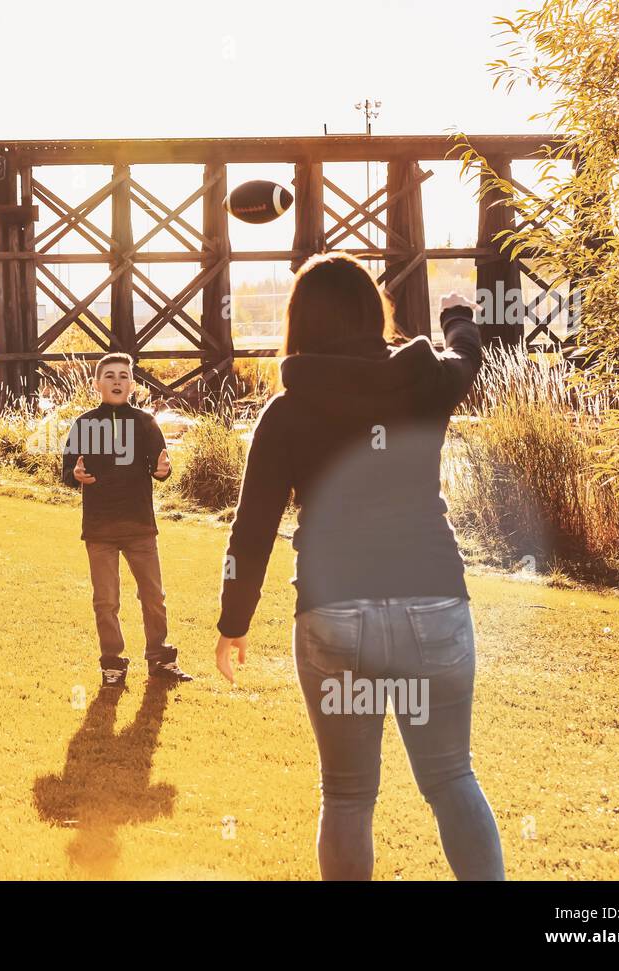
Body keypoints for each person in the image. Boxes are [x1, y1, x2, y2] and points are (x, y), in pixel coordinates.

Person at [213, 252, 505, 880]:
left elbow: (253, 530)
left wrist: (233, 621)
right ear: (375, 314)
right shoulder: (424, 382)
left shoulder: (288, 411)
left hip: (333, 612)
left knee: (347, 795)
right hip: (433, 603)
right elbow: (466, 357)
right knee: (452, 778)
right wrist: (457, 316)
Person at [61, 352, 193, 690]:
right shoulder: (84, 424)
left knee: (153, 597)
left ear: (132, 384)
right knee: (106, 601)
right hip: (100, 530)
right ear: (96, 384)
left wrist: (164, 471)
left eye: (123, 376)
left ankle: (161, 659)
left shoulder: (146, 423)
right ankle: (113, 665)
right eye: (110, 376)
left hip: (140, 528)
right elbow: (66, 472)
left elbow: (160, 467)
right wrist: (75, 474)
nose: (117, 380)